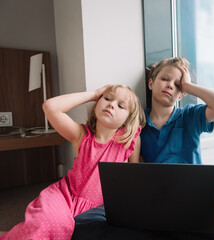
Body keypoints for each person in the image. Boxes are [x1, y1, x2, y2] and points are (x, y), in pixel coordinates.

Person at [73, 57, 214, 240]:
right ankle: (179, 230)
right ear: (151, 83)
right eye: (165, 79)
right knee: (81, 224)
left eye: (177, 84)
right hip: (152, 201)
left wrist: (188, 86)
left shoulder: (190, 115)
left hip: (199, 197)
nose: (170, 85)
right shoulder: (135, 123)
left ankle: (164, 231)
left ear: (181, 95)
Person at [0, 84, 145, 240]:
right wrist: (93, 94)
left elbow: (133, 176)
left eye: (121, 105)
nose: (111, 104)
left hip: (99, 206)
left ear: (127, 120)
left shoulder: (130, 141)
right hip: (65, 195)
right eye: (107, 98)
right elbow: (50, 107)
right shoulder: (81, 135)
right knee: (48, 224)